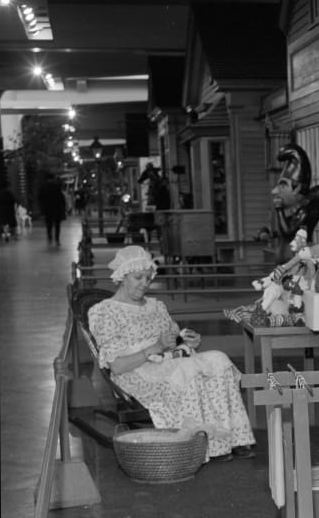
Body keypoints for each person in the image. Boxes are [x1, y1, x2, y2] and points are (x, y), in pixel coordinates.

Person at [88, 246, 257, 462]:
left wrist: (185, 342)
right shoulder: (105, 312)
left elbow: (172, 342)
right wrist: (155, 347)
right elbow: (117, 366)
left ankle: (231, 439)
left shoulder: (156, 306)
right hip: (135, 374)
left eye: (148, 278)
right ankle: (199, 446)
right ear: (122, 276)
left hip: (166, 363)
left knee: (218, 358)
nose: (145, 284)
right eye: (138, 278)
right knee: (188, 370)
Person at [37, 173, 67, 245]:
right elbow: (61, 198)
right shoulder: (57, 186)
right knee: (57, 225)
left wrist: (42, 208)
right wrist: (64, 207)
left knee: (49, 224)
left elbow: (39, 198)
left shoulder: (43, 187)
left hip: (47, 208)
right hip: (57, 208)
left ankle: (49, 237)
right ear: (53, 178)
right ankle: (57, 239)